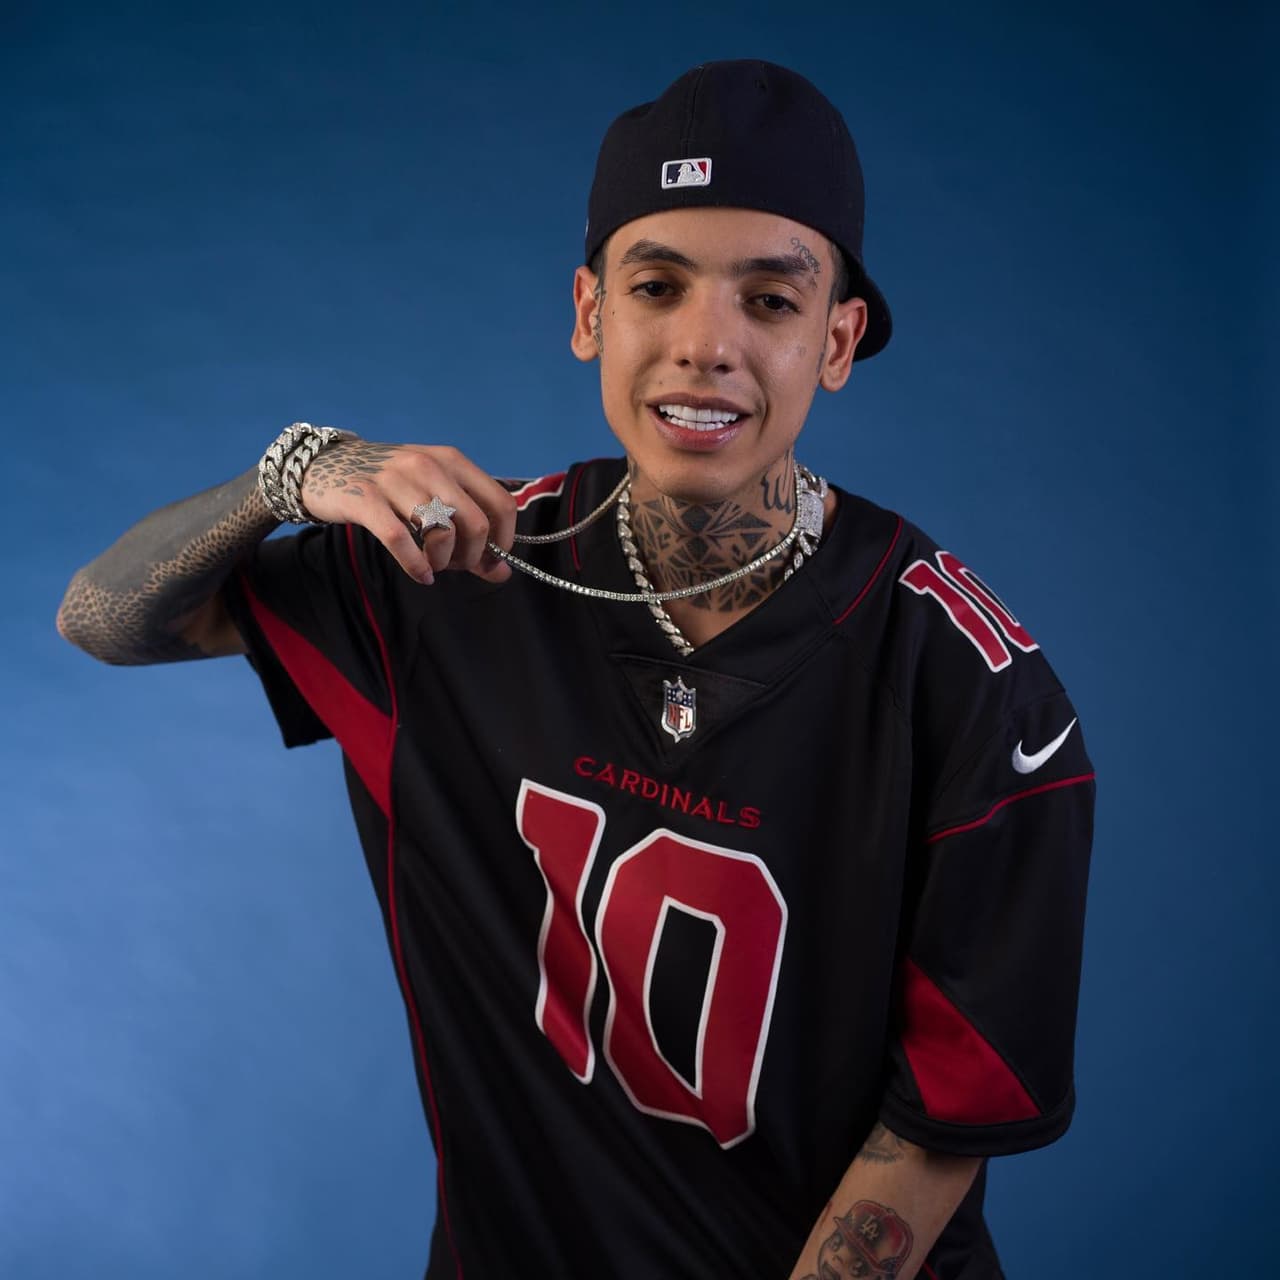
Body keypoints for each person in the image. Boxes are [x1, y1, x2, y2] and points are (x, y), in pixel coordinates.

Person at [57, 60, 1094, 1280]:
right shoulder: (448, 569)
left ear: (836, 340)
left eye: (769, 300)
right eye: (657, 286)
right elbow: (104, 618)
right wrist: (290, 476)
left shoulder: (971, 683)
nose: (705, 346)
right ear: (589, 312)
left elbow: (930, 1136)